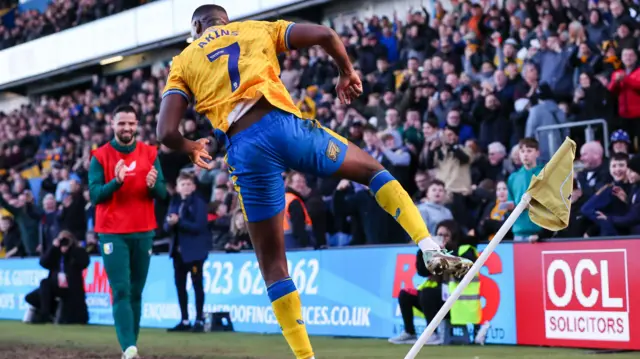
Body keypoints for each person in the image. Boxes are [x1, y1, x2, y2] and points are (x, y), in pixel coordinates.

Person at [155, 5, 472, 359]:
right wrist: (346, 72)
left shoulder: (183, 60)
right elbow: (324, 34)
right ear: (224, 20)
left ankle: (306, 358)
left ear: (197, 26)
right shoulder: (256, 28)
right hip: (286, 128)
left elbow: (165, 132)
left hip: (245, 149)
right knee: (372, 171)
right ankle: (428, 245)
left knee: (273, 264)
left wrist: (189, 145)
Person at [88, 105, 168, 359]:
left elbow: (164, 193)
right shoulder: (100, 156)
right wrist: (117, 182)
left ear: (137, 125)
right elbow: (94, 195)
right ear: (113, 125)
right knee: (121, 289)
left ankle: (130, 346)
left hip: (144, 231)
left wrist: (154, 186)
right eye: (121, 123)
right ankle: (129, 348)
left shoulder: (150, 153)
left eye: (131, 124)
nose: (127, 128)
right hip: (112, 233)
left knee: (136, 291)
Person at [164, 172, 211, 333]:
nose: (185, 187)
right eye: (182, 184)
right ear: (177, 187)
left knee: (197, 285)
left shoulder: (199, 203)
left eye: (188, 184)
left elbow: (199, 226)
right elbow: (165, 227)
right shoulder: (175, 202)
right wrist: (170, 223)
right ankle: (184, 319)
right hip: (178, 252)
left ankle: (199, 319)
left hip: (194, 252)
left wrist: (179, 222)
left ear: (194, 187)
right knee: (180, 286)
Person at [24, 230, 89, 324]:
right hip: (55, 284)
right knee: (40, 287)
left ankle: (47, 314)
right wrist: (53, 247)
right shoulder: (55, 252)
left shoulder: (78, 251)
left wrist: (71, 250)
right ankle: (46, 312)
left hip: (70, 286)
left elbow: (84, 263)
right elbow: (43, 263)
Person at [507, 138, 544, 242]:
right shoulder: (513, 177)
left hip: (540, 231)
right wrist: (509, 206)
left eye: (529, 151)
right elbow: (510, 202)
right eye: (522, 151)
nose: (525, 154)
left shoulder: (545, 173)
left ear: (537, 153)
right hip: (518, 230)